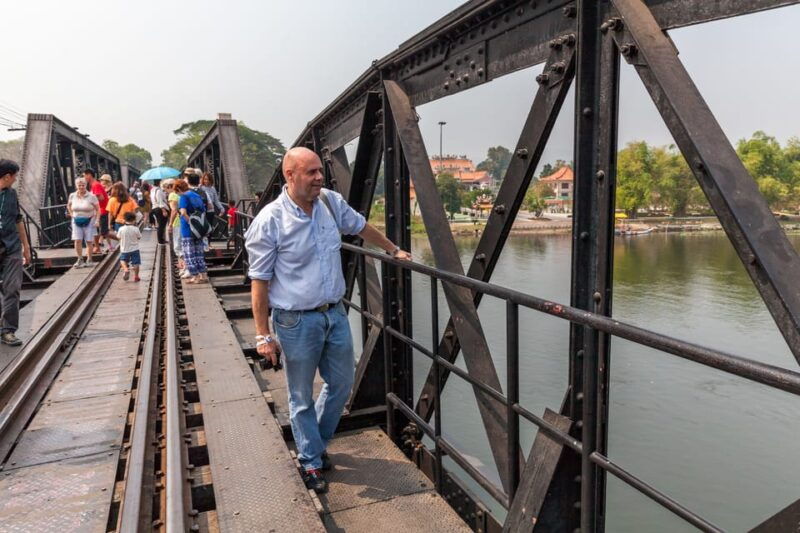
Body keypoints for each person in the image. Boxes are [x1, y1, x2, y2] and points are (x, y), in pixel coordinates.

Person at [244, 147, 411, 493]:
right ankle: (310, 461)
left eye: (321, 170)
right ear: (290, 176)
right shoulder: (270, 220)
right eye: (311, 172)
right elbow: (259, 283)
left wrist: (392, 250)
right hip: (294, 321)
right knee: (301, 395)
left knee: (341, 385)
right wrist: (263, 336)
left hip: (334, 314)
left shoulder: (331, 203)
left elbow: (361, 226)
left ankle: (315, 446)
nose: (320, 177)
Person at [0, 160, 32, 346]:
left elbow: (18, 220)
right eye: (14, 176)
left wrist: (26, 246)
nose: (15, 179)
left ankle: (8, 330)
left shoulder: (12, 195)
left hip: (11, 247)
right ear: (7, 176)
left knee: (12, 288)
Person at [179, 173, 209, 283]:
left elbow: (183, 213)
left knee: (189, 254)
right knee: (199, 253)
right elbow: (204, 210)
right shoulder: (197, 195)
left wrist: (191, 223)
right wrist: (197, 225)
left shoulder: (184, 197)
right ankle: (203, 275)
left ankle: (195, 276)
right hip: (199, 229)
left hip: (188, 229)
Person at [66, 177, 99, 267]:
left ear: (86, 185)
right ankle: (80, 259)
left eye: (83, 185)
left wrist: (97, 220)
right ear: (76, 186)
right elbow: (69, 205)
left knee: (88, 240)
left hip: (89, 220)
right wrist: (72, 214)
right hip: (76, 220)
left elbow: (97, 209)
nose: (81, 187)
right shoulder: (72, 195)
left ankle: (89, 259)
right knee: (77, 240)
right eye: (79, 185)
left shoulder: (92, 196)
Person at [83, 168, 108, 255]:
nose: (84, 178)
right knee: (96, 230)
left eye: (85, 175)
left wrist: (89, 200)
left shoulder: (95, 185)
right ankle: (97, 247)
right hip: (98, 211)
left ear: (89, 175)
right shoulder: (94, 185)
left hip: (102, 211)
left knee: (104, 232)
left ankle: (122, 238)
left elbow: (101, 198)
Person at [117, 211, 142, 282]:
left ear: (124, 220)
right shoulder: (136, 229)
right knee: (136, 263)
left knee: (123, 260)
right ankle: (136, 276)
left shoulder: (121, 229)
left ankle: (126, 269)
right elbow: (139, 237)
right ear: (134, 220)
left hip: (124, 249)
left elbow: (118, 237)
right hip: (135, 249)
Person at [168, 180, 186, 273]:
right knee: (183, 245)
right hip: (185, 222)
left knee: (178, 246)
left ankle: (184, 266)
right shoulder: (183, 195)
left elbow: (174, 210)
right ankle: (182, 266)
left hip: (178, 222)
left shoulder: (172, 195)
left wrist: (170, 224)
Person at [98, 175, 115, 251]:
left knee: (104, 229)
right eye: (101, 180)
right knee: (105, 230)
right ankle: (110, 245)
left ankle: (100, 241)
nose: (101, 181)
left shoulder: (112, 189)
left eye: (102, 180)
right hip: (101, 209)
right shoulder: (101, 188)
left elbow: (113, 198)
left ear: (107, 181)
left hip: (107, 210)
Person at [151, 179, 170, 244]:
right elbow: (160, 202)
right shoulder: (158, 191)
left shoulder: (152, 190)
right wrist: (164, 211)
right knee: (161, 225)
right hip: (160, 209)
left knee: (160, 225)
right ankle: (161, 240)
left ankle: (161, 239)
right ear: (159, 182)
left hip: (155, 208)